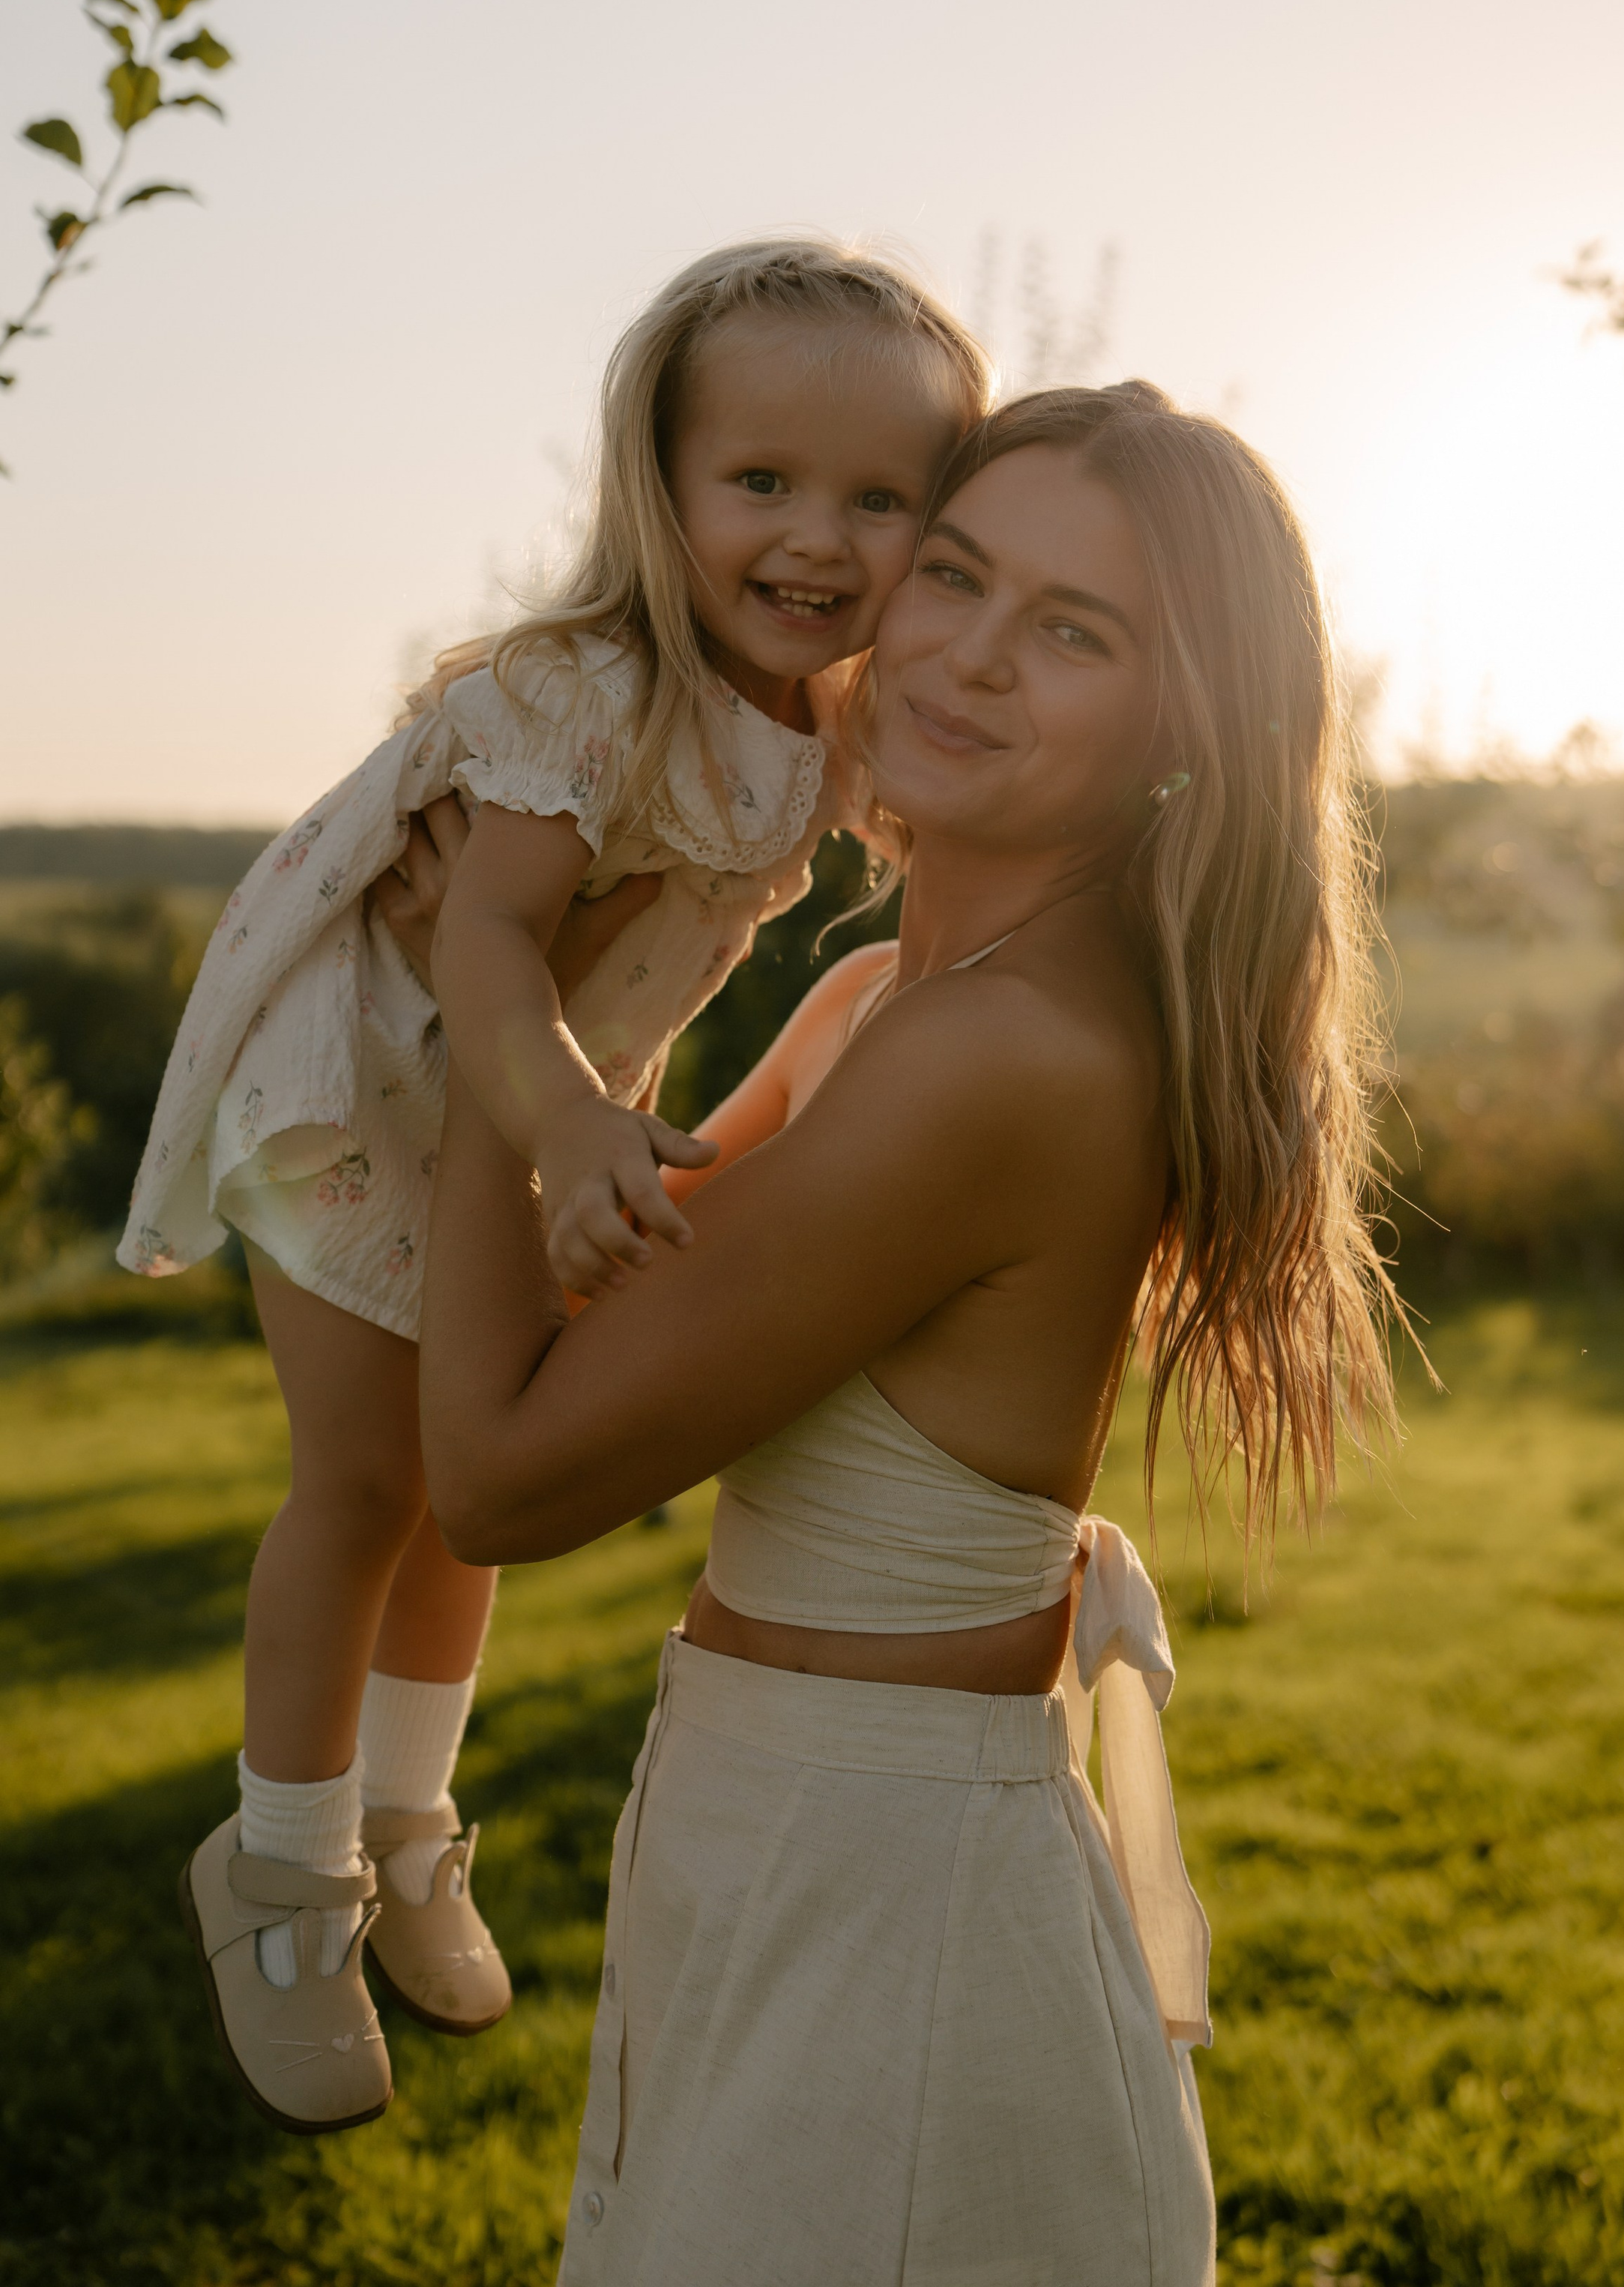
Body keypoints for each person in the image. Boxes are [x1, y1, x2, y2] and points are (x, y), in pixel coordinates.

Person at [409, 379, 1402, 2284]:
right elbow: (586, 1291)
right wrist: (552, 1057)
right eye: (951, 576)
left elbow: (501, 1468)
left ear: (1180, 728)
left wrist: (496, 985)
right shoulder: (886, 991)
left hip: (894, 1917)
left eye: (1072, 631)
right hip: (780, 1828)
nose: (961, 656)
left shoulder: (996, 1057)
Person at [146, 239, 991, 2133]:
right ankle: (281, 1873)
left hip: (543, 1111)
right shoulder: (583, 690)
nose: (815, 536)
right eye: (760, 482)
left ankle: (406, 1818)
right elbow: (485, 949)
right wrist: (582, 1127)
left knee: (474, 1484)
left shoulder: (823, 724)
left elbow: (953, 830)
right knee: (366, 1481)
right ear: (662, 489)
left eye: (881, 497)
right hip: (370, 1087)